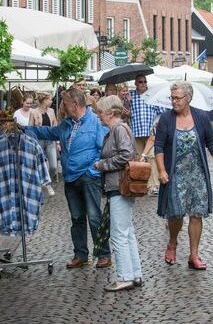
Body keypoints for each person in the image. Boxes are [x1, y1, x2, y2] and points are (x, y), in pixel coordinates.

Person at [21, 88, 111, 269]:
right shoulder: (67, 124)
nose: (62, 106)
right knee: (77, 217)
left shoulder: (95, 122)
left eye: (65, 103)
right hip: (70, 178)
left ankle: (103, 254)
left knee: (94, 217)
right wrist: (24, 129)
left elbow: (104, 150)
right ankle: (80, 254)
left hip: (88, 176)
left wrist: (93, 170)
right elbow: (48, 132)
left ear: (75, 105)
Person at [154, 81, 213, 270]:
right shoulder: (166, 119)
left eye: (177, 98)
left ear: (188, 98)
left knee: (196, 214)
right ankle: (173, 242)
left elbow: (211, 142)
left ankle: (194, 255)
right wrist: (161, 170)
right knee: (175, 214)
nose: (173, 101)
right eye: (172, 97)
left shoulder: (200, 116)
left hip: (197, 174)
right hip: (175, 175)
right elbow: (159, 146)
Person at [93, 96, 142, 292]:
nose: (98, 116)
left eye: (100, 113)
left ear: (111, 113)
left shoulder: (118, 129)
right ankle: (135, 274)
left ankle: (124, 277)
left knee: (119, 234)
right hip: (120, 186)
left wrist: (102, 165)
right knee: (127, 233)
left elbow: (126, 156)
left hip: (119, 186)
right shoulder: (119, 129)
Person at [129, 74, 163, 194]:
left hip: (151, 133)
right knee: (139, 159)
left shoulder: (153, 95)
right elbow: (124, 111)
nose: (143, 83)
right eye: (140, 82)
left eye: (144, 81)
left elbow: (161, 112)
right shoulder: (130, 95)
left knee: (152, 157)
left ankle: (154, 186)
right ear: (135, 83)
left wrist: (157, 124)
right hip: (136, 132)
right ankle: (141, 185)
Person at [29, 92, 58, 192]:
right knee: (42, 163)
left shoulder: (51, 111)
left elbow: (55, 125)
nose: (51, 101)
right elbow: (30, 128)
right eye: (50, 99)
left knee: (53, 166)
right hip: (39, 140)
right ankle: (46, 183)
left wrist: (57, 142)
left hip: (50, 140)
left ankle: (47, 180)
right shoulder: (34, 112)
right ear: (44, 100)